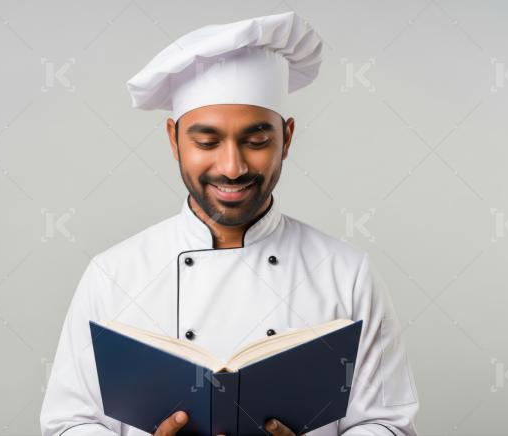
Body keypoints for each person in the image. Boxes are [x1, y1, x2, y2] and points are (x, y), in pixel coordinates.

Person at [40, 11, 419, 436]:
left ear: (287, 138)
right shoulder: (113, 275)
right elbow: (68, 423)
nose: (232, 167)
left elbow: (388, 424)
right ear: (173, 139)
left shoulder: (346, 274)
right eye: (207, 142)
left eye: (257, 141)